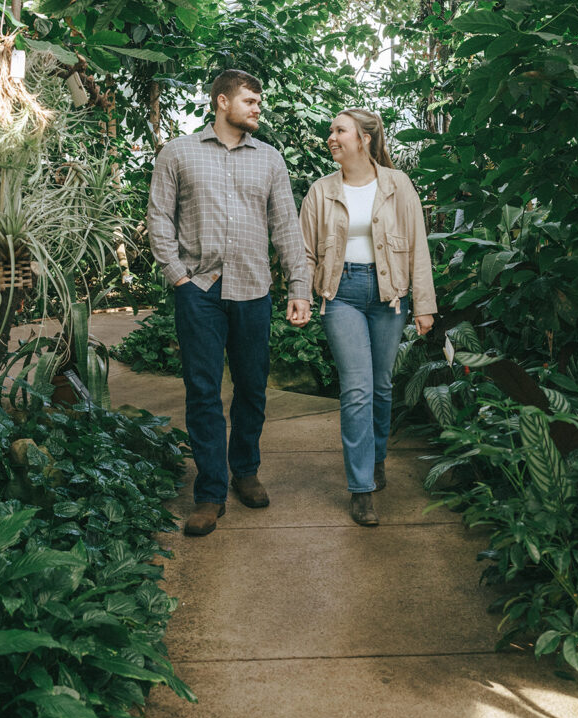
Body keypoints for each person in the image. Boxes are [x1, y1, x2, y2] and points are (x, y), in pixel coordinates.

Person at [148, 69, 311, 537]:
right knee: (202, 392)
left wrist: (298, 286)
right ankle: (210, 492)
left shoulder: (270, 159)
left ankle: (245, 470)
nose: (258, 107)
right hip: (199, 290)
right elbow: (159, 217)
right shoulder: (179, 152)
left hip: (253, 289)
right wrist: (177, 276)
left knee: (253, 387)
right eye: (250, 100)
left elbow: (285, 227)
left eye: (259, 100)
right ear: (221, 102)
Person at [299, 109, 437, 526]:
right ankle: (361, 488)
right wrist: (299, 296)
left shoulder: (398, 185)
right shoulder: (320, 191)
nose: (331, 137)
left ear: (364, 139)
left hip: (388, 296)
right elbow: (305, 252)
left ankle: (376, 460)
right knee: (356, 388)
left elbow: (418, 245)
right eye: (331, 131)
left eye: (339, 131)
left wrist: (424, 304)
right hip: (340, 296)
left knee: (380, 387)